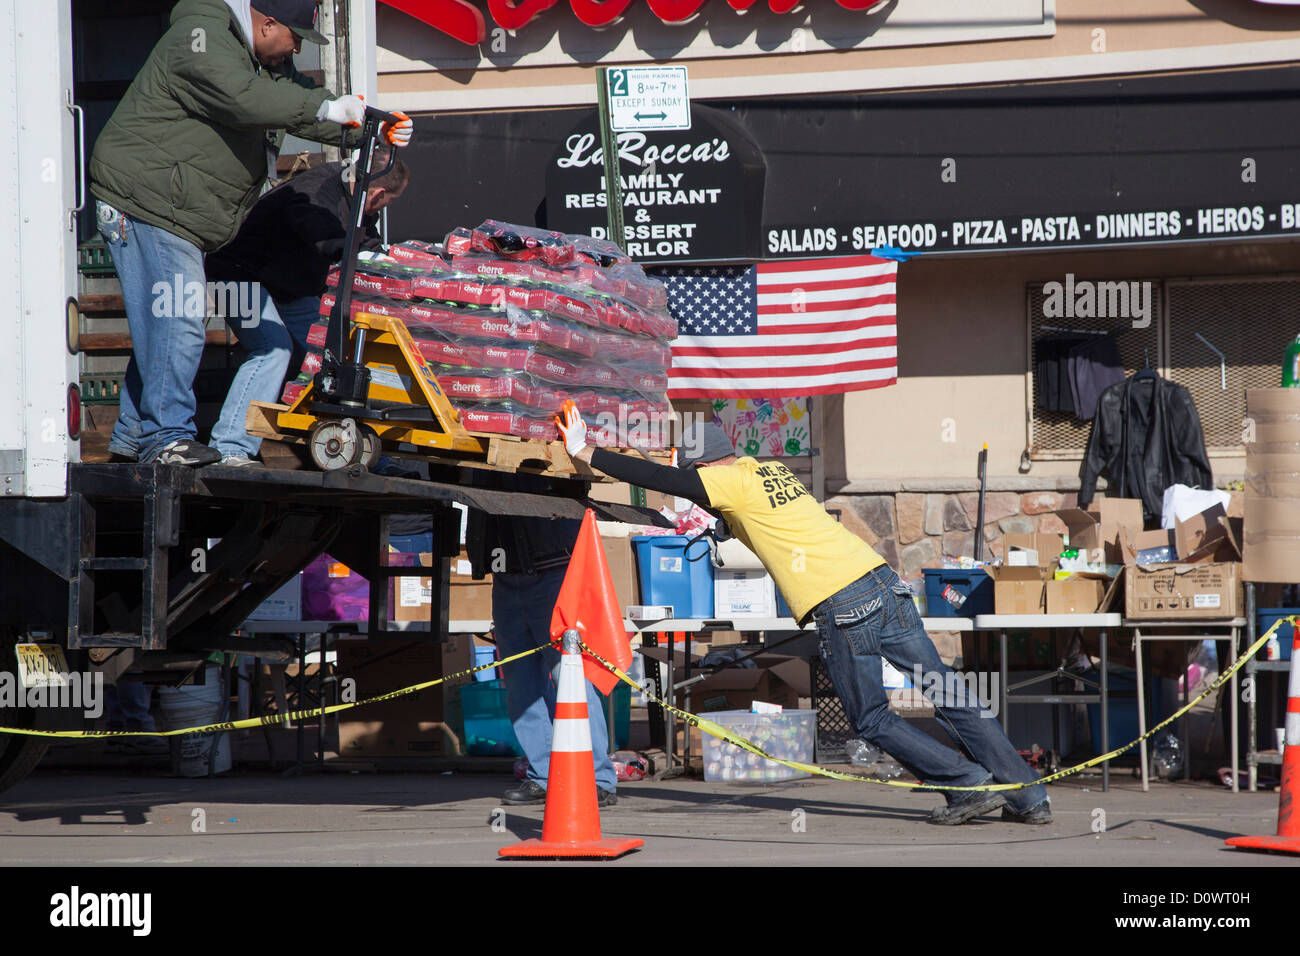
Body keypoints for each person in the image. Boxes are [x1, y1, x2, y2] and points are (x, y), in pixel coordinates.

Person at [555, 405, 1051, 825]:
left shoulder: (723, 481)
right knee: (945, 691)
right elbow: (761, 522)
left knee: (872, 717)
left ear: (702, 467)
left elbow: (661, 478)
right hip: (882, 583)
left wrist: (586, 452)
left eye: (694, 476)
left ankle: (966, 784)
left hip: (844, 603)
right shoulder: (765, 470)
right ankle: (1030, 796)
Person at [89, 0, 412, 466]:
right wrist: (328, 107)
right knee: (178, 324)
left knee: (168, 323)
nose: (298, 48)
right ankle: (165, 439)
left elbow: (303, 107)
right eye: (296, 36)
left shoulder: (259, 60)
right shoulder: (202, 36)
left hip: (174, 212)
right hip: (146, 201)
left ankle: (133, 434)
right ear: (267, 22)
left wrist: (375, 130)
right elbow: (245, 98)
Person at [202, 152, 410, 461]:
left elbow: (365, 242)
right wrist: (362, 257)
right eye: (388, 202)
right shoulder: (317, 191)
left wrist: (396, 262)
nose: (384, 208)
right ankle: (230, 446)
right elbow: (324, 237)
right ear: (378, 193)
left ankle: (356, 449)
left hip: (286, 286)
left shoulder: (358, 199)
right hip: (236, 274)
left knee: (334, 356)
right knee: (273, 349)